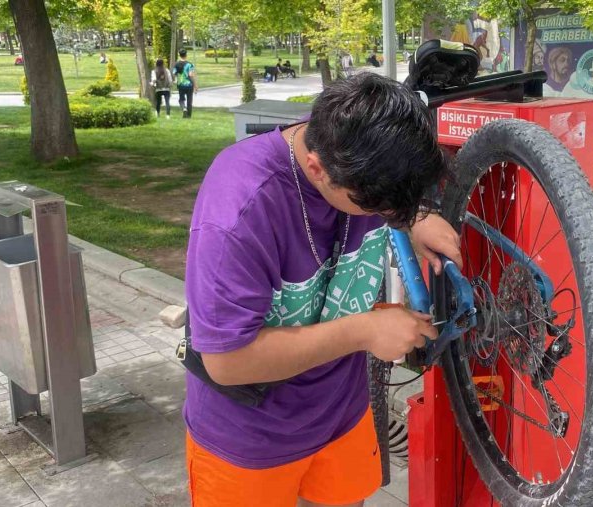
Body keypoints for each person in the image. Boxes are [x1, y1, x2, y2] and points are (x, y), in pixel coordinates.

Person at [183, 72, 461, 507]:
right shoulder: (238, 210)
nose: (386, 215)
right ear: (317, 168)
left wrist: (414, 216)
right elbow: (226, 361)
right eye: (377, 206)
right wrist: (364, 331)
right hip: (251, 443)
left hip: (341, 416)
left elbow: (381, 187)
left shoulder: (350, 148)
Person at [173, 49, 198, 118]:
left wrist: (175, 80)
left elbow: (174, 74)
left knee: (181, 99)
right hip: (189, 84)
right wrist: (195, 85)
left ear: (179, 55)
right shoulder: (190, 64)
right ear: (186, 55)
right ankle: (189, 115)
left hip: (181, 84)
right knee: (189, 100)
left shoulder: (176, 64)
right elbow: (191, 75)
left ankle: (184, 108)